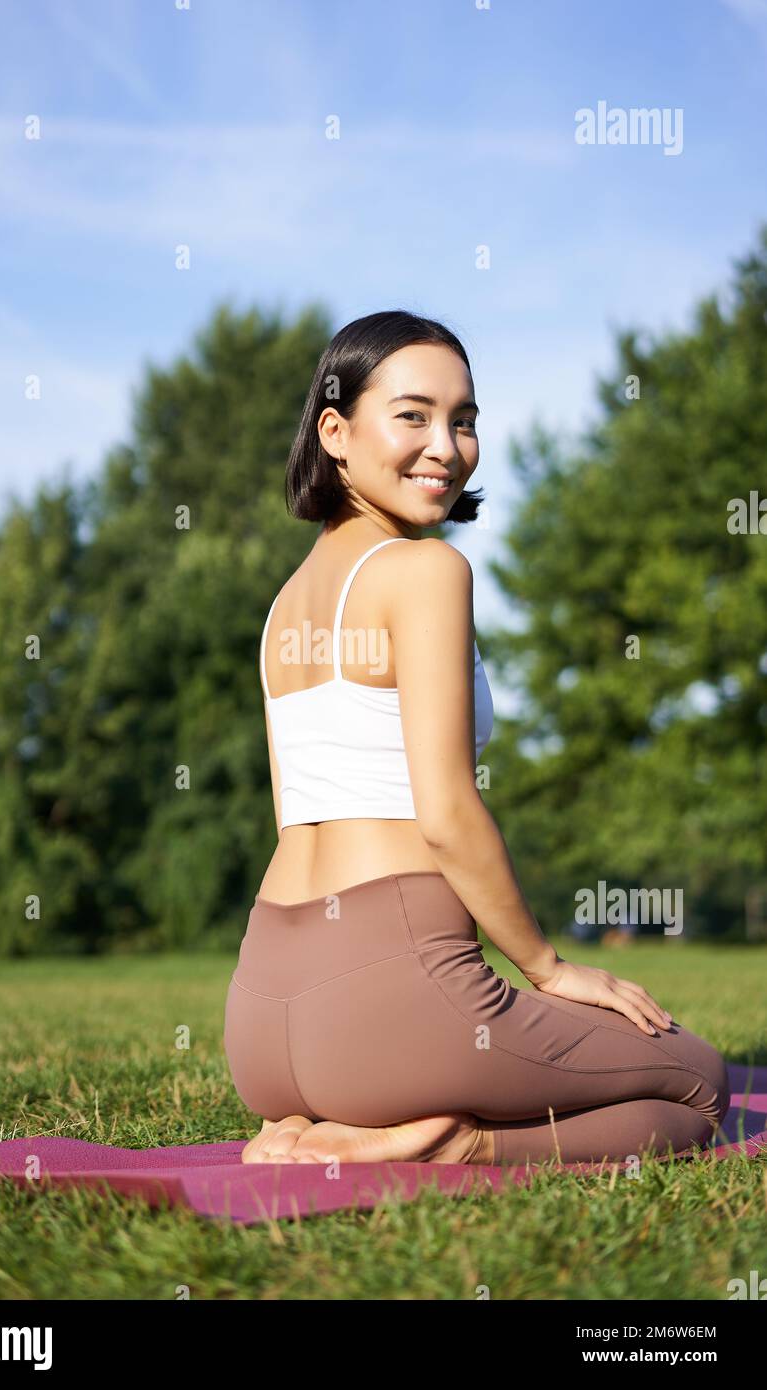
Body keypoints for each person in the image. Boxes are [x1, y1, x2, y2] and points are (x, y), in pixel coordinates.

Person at [223, 309, 730, 1168]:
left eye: (464, 421)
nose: (447, 446)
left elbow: (293, 819)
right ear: (336, 432)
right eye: (414, 415)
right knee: (701, 1083)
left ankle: (325, 1120)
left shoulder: (283, 608)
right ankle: (456, 1141)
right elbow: (446, 809)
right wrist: (550, 967)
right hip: (393, 1002)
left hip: (263, 1021)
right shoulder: (426, 571)